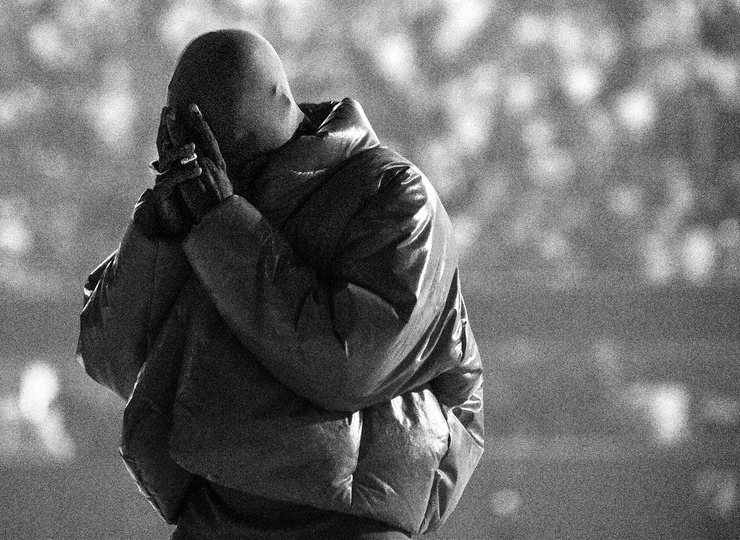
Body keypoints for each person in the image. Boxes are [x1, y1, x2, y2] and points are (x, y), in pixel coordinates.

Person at [77, 29, 484, 539]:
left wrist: (222, 222)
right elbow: (110, 360)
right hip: (215, 517)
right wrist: (156, 232)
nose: (207, 159)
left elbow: (346, 365)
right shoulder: (200, 198)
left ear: (279, 105)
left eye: (222, 147)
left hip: (349, 522)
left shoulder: (394, 196)